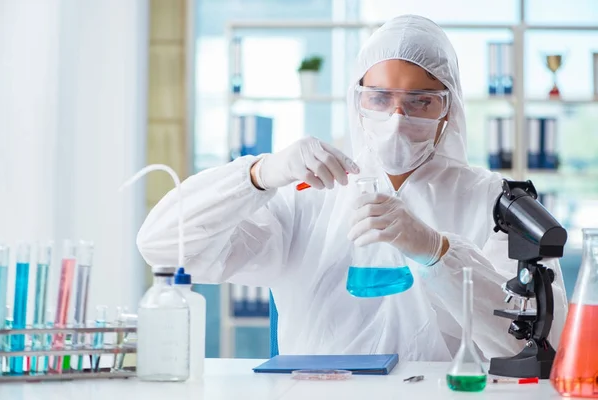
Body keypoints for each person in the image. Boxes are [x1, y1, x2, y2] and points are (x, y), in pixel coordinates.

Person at [137, 14, 567, 361]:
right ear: (357, 100)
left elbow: (536, 341)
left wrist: (439, 252)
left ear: (448, 107)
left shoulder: (495, 202)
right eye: (380, 97)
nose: (397, 118)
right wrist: (258, 176)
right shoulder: (309, 192)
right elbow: (163, 246)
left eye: (421, 100)